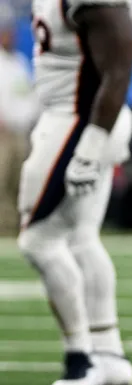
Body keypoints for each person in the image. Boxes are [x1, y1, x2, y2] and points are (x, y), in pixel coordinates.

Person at [17, 0, 132, 385]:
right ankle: (110, 356)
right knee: (82, 239)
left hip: (78, 121)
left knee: (38, 241)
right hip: (75, 117)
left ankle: (80, 358)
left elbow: (119, 70)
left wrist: (91, 142)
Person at [0, 3, 38, 235]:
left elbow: (30, 98)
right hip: (2, 135)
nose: (8, 36)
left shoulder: (20, 63)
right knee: (1, 185)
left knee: (18, 186)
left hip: (21, 134)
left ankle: (14, 231)